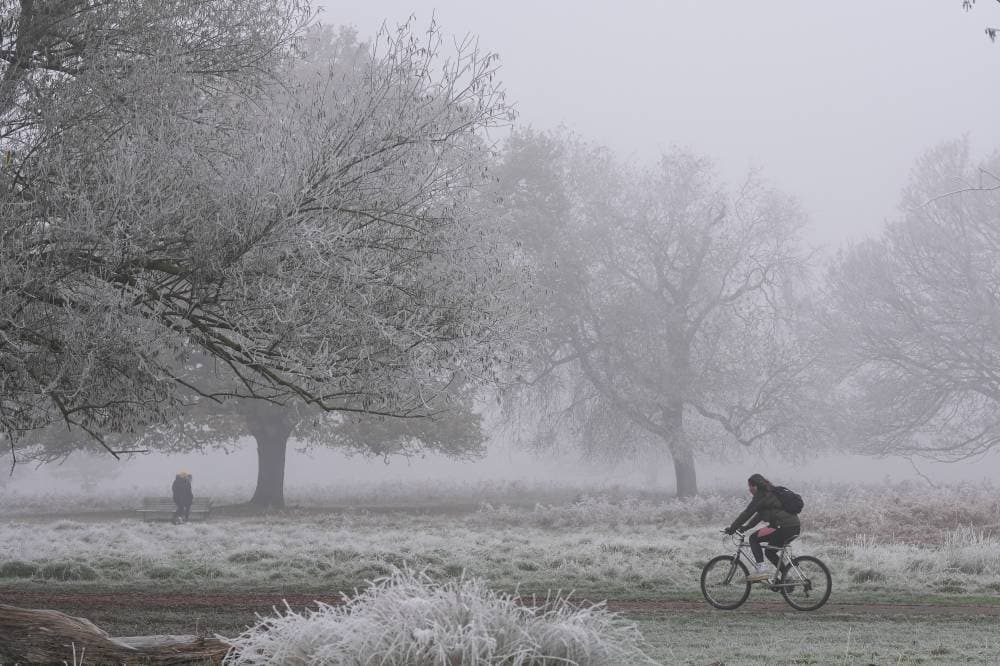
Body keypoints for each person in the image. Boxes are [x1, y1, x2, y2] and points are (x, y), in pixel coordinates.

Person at [724, 473, 801, 583]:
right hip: (793, 527)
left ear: (756, 486)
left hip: (783, 528)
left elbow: (747, 513)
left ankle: (762, 569)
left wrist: (732, 528)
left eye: (750, 486)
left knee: (753, 538)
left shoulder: (761, 496)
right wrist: (746, 527)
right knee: (770, 552)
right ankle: (787, 578)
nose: (749, 489)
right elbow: (760, 515)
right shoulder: (770, 493)